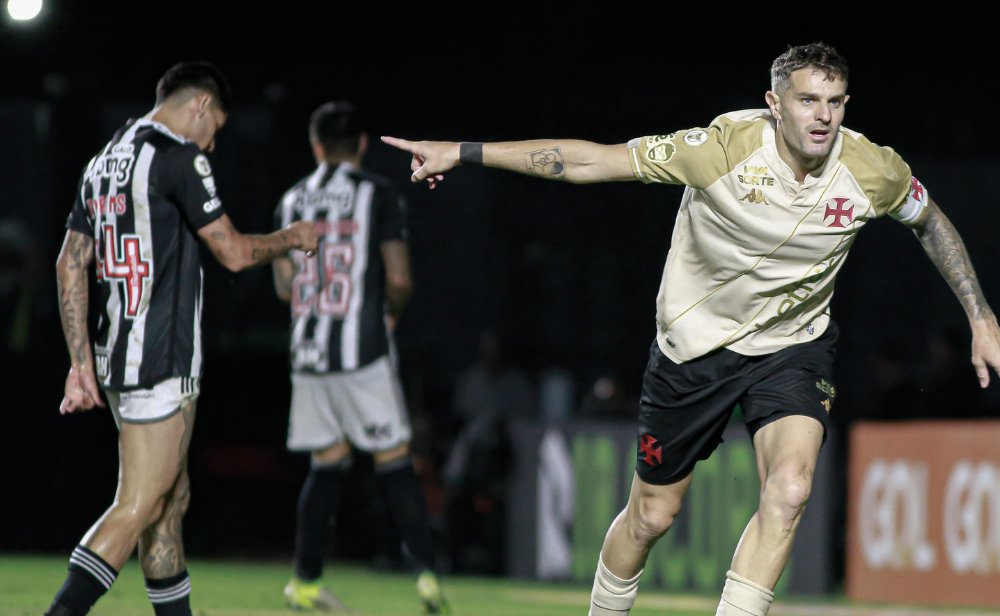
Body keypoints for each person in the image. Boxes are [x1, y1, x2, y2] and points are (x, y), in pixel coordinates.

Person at [382, 42, 1000, 616]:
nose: (823, 116)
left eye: (835, 102)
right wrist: (464, 151)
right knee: (651, 517)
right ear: (775, 103)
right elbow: (591, 162)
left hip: (792, 348)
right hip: (693, 351)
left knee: (790, 489)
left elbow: (931, 220)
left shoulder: (872, 169)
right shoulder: (720, 148)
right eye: (808, 100)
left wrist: (979, 313)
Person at [48, 61, 319, 616]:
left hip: (121, 354)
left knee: (170, 504)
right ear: (199, 106)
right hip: (158, 359)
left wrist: (81, 363)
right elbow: (235, 253)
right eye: (215, 128)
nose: (212, 144)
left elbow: (69, 262)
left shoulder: (105, 160)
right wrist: (292, 237)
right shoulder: (178, 157)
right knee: (140, 505)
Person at [272, 101, 446, 613]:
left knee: (326, 463)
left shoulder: (292, 200)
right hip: (361, 350)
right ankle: (427, 575)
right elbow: (398, 277)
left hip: (307, 353)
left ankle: (304, 582)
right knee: (393, 460)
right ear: (363, 144)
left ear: (316, 144)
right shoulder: (377, 194)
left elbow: (285, 286)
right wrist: (389, 313)